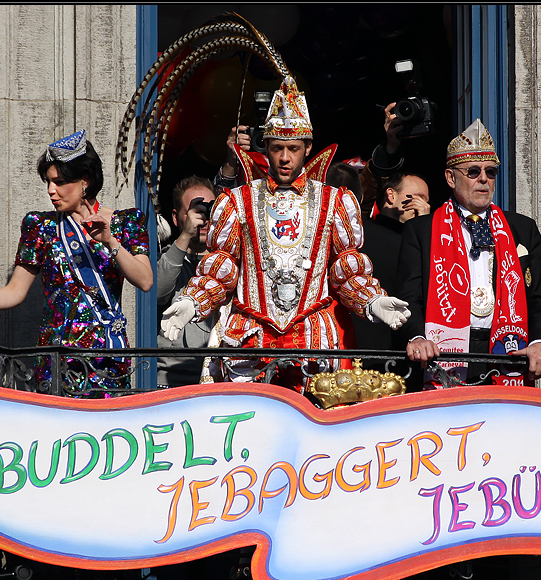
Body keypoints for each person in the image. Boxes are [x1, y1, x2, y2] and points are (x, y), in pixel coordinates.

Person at [160, 76, 409, 387]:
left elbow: (346, 268)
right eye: (277, 148)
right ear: (266, 147)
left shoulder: (334, 202)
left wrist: (372, 300)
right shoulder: (238, 201)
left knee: (315, 426)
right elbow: (221, 267)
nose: (285, 158)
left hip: (312, 339)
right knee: (248, 425)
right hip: (250, 338)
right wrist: (193, 302)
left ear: (307, 148)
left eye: (293, 148)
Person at [0, 130, 153, 396]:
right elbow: (15, 291)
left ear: (84, 181)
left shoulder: (124, 222)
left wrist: (110, 242)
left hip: (106, 356)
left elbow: (145, 281)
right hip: (56, 358)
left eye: (59, 182)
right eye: (48, 182)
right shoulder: (41, 227)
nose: (51, 190)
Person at [396, 119, 541, 387]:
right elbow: (409, 296)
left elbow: (539, 295)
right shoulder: (421, 230)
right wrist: (415, 337)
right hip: (442, 350)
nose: (483, 179)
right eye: (473, 171)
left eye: (490, 172)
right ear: (450, 177)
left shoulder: (521, 228)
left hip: (508, 348)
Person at [353, 171, 431, 356]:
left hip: (400, 348)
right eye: (417, 197)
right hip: (359, 343)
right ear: (391, 195)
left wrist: (423, 226)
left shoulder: (418, 241)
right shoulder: (360, 233)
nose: (423, 205)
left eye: (426, 201)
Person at [156, 175, 217, 387]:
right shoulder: (166, 258)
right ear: (176, 217)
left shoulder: (227, 265)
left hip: (217, 381)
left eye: (209, 209)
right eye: (196, 209)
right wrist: (186, 235)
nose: (204, 217)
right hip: (170, 383)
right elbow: (157, 292)